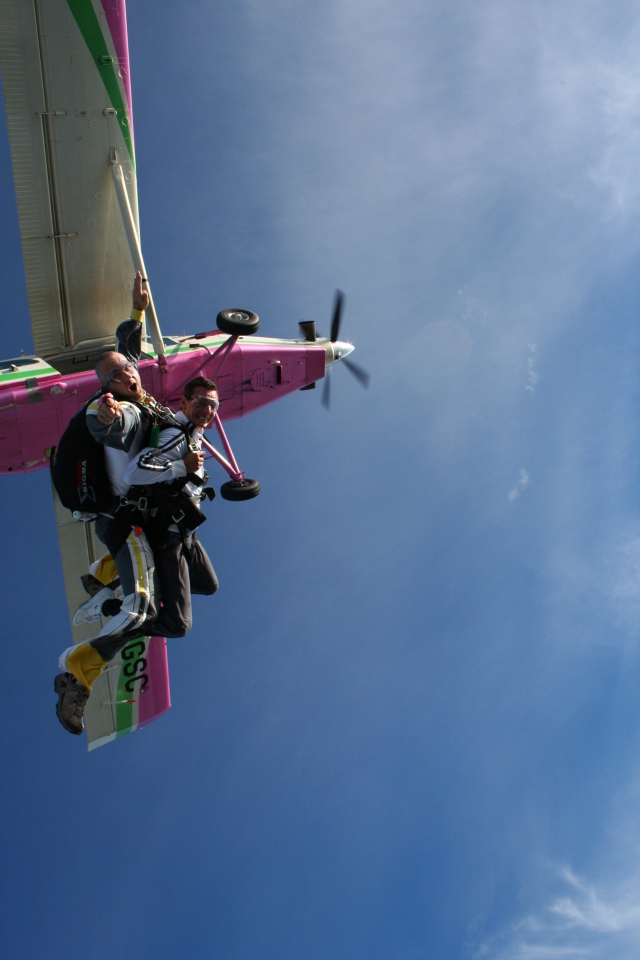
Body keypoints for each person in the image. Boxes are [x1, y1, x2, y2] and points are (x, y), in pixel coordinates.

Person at [55, 272, 179, 734]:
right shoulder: (117, 406)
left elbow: (128, 350)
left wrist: (138, 311)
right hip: (120, 523)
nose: (129, 372)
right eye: (118, 374)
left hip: (122, 520)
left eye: (129, 369)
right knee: (142, 606)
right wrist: (106, 416)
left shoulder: (135, 387)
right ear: (107, 385)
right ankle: (77, 675)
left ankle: (98, 576)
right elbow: (109, 424)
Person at [122, 375, 219, 638]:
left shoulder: (190, 436)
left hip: (186, 531)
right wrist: (180, 466)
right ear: (184, 402)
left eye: (214, 406)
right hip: (168, 533)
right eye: (201, 402)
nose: (208, 410)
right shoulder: (176, 435)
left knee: (208, 585)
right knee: (179, 626)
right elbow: (133, 472)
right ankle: (125, 625)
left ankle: (144, 584)